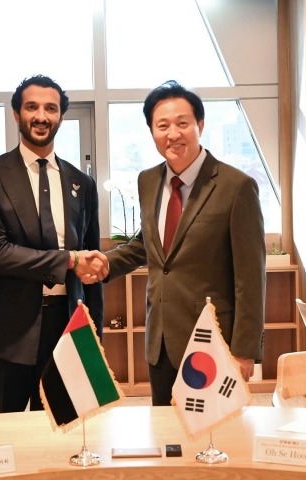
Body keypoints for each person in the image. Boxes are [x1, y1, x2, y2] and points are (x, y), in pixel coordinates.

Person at [96, 80, 266, 406]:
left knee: (216, 439)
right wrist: (105, 264)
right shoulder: (148, 181)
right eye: (163, 125)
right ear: (152, 132)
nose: (173, 134)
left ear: (200, 125)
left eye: (182, 123)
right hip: (160, 340)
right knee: (167, 438)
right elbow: (149, 246)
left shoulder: (236, 186)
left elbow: (251, 277)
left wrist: (245, 351)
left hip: (214, 341)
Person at [0, 74, 107, 414]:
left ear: (61, 118)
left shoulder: (81, 183)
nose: (42, 115)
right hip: (5, 328)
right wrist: (68, 261)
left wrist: (93, 333)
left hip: (65, 326)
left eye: (51, 108)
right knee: (0, 430)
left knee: (62, 430)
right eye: (32, 107)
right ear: (16, 114)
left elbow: (91, 261)